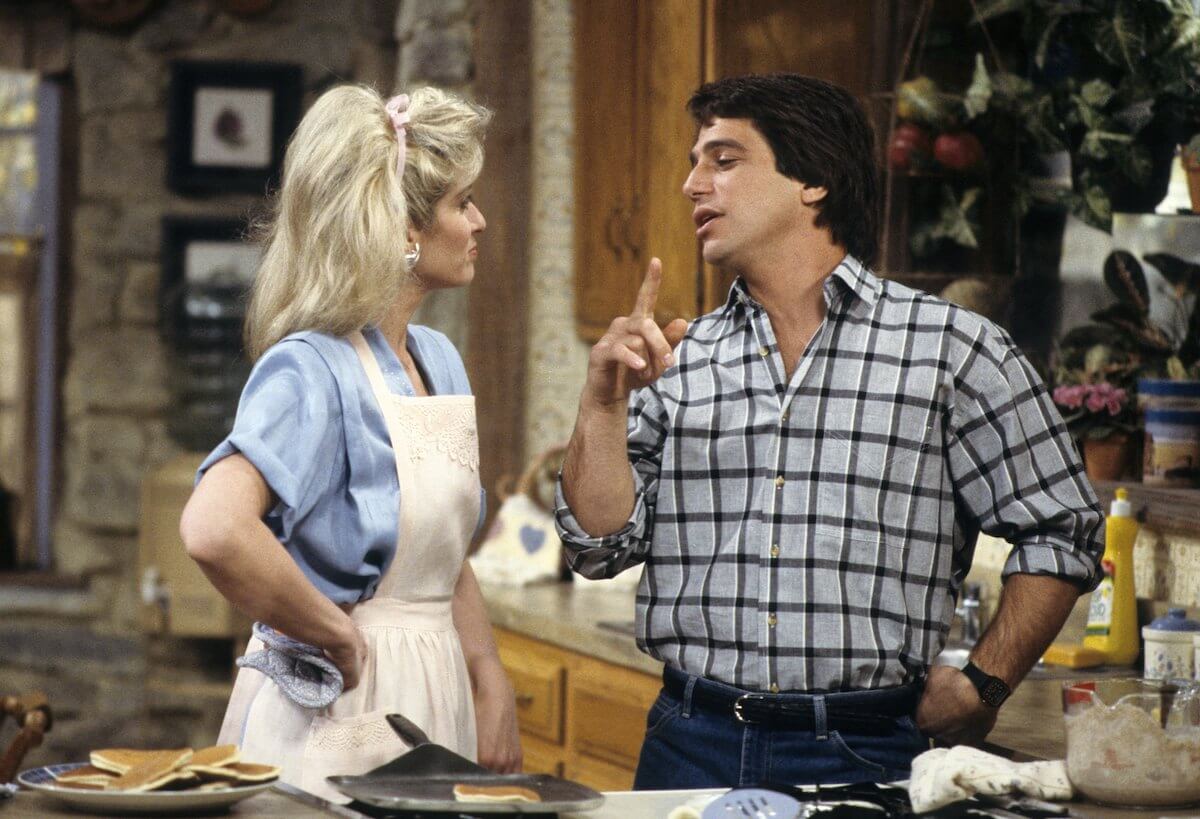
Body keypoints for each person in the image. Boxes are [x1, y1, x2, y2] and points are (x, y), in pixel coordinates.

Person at [555, 73, 1104, 789]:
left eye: (724, 160)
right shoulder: (679, 356)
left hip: (864, 750)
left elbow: (1062, 528)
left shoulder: (951, 350)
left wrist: (985, 683)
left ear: (812, 179)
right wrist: (601, 404)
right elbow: (597, 547)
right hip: (686, 742)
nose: (692, 184)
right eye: (694, 163)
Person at [180, 84, 520, 801]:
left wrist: (487, 672)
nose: (480, 222)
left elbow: (440, 551)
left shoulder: (438, 358)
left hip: (436, 689)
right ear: (404, 227)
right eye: (463, 203)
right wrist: (332, 633)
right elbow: (214, 527)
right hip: (346, 700)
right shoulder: (311, 367)